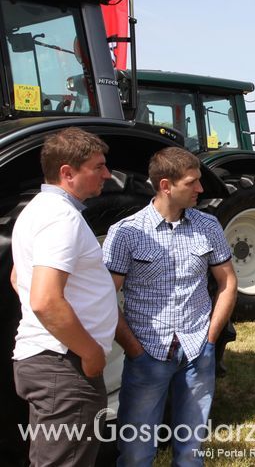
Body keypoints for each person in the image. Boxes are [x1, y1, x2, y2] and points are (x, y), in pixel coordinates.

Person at [102, 147, 237, 466]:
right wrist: (133, 348)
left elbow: (228, 282)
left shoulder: (209, 226)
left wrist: (211, 339)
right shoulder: (126, 233)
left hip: (197, 352)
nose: (200, 189)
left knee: (191, 452)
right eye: (192, 182)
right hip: (147, 354)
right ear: (165, 185)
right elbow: (105, 297)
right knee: (136, 453)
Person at [11, 127, 117, 467]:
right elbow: (44, 299)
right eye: (98, 167)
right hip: (64, 365)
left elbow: (19, 278)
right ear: (67, 173)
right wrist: (90, 353)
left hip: (51, 362)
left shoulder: (38, 210)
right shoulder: (61, 218)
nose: (107, 174)